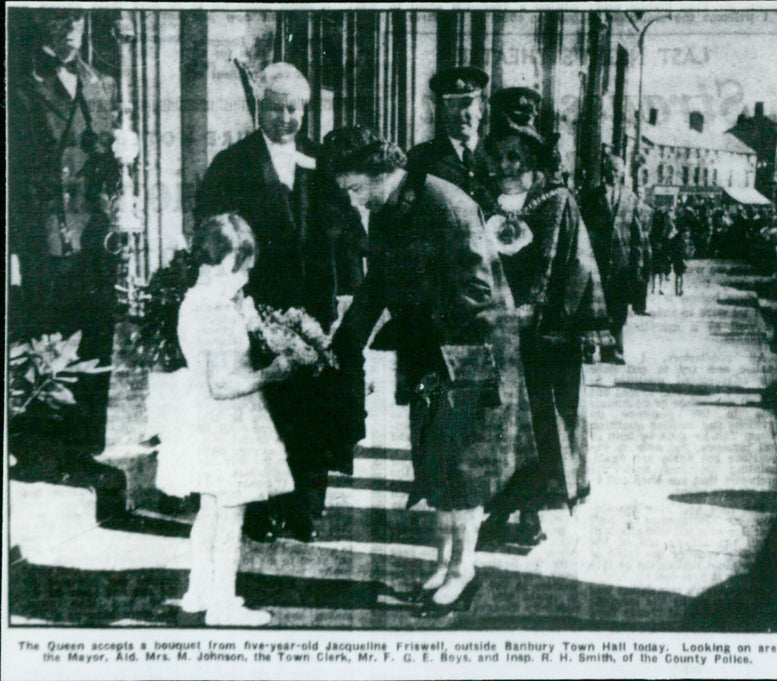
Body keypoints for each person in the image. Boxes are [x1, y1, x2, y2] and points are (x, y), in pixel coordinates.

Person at [323, 126, 535, 616]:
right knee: (436, 467)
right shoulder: (391, 208)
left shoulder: (444, 202)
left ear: (381, 172)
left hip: (469, 355)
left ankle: (464, 570)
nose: (356, 203)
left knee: (464, 471)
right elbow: (378, 281)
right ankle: (443, 564)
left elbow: (477, 293)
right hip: (434, 355)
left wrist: (416, 320)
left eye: (356, 189)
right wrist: (342, 342)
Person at [195, 62, 365, 543]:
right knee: (265, 410)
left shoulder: (324, 160)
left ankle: (307, 508)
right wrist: (232, 295)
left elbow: (349, 229)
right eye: (276, 107)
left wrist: (349, 289)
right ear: (259, 108)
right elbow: (212, 230)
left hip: (318, 305)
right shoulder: (233, 164)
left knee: (315, 407)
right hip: (259, 305)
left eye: (294, 108)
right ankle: (261, 511)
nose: (286, 117)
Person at [478, 87, 610, 549]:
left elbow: (579, 267)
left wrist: (554, 318)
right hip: (495, 335)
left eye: (516, 155)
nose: (507, 165)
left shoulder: (558, 202)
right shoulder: (479, 201)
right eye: (499, 155)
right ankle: (496, 510)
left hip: (544, 337)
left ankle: (531, 511)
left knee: (539, 425)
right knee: (496, 425)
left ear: (532, 156)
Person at [155, 213, 294, 626]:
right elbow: (221, 384)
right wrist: (272, 374)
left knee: (212, 512)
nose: (246, 277)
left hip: (206, 420)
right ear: (222, 261)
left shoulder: (201, 301)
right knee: (229, 515)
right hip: (226, 421)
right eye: (242, 267)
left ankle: (199, 594)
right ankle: (222, 604)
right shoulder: (211, 309)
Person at [8, 9, 125, 494]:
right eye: (61, 19)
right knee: (46, 337)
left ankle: (84, 452)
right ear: (44, 25)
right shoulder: (20, 86)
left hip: (95, 236)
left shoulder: (102, 83)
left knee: (95, 337)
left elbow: (104, 165)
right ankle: (39, 453)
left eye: (77, 19)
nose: (71, 28)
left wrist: (122, 156)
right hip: (44, 235)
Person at [580, 153, 646, 365]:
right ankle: (588, 349)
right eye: (609, 170)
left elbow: (637, 236)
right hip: (596, 262)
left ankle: (614, 351)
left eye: (617, 171)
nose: (613, 174)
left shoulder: (630, 199)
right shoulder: (591, 196)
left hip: (621, 265)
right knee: (592, 307)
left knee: (618, 310)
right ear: (604, 171)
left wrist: (637, 264)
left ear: (622, 173)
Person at [406, 66, 494, 213]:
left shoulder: (497, 153)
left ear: (481, 108)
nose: (460, 114)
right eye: (452, 106)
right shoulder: (420, 158)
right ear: (440, 111)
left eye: (466, 104)